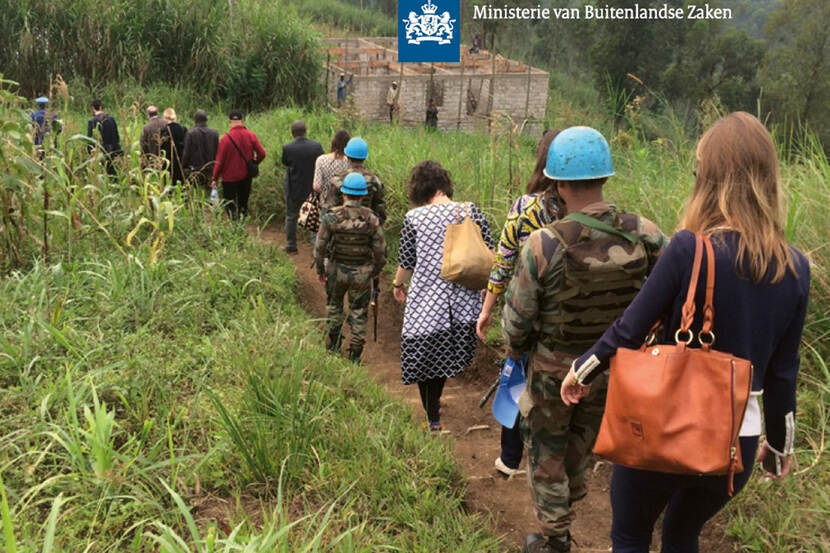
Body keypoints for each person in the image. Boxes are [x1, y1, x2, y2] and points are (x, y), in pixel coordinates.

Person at [560, 112, 811, 553]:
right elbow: (783, 373)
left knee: (631, 533)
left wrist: (582, 370)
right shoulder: (794, 267)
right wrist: (779, 445)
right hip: (735, 442)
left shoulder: (690, 248)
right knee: (682, 532)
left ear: (708, 179)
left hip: (666, 423)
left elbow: (629, 330)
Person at [502, 126, 667, 553]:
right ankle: (568, 504)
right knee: (583, 445)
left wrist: (516, 351)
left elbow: (517, 323)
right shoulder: (645, 233)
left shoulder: (543, 244)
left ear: (558, 183)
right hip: (611, 370)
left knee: (546, 451)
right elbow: (671, 293)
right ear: (605, 177)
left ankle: (555, 536)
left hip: (551, 371)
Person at [475, 130, 561, 478]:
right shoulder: (587, 213)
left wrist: (487, 309)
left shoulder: (526, 207)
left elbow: (503, 260)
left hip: (526, 313)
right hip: (569, 319)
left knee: (517, 380)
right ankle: (553, 461)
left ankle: (510, 459)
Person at [392, 161, 494, 431]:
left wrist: (398, 285)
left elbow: (406, 262)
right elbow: (490, 252)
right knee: (444, 356)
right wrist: (488, 288)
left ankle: (432, 417)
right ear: (445, 184)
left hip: (427, 302)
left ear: (419, 188)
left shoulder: (414, 218)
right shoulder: (470, 210)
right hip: (464, 303)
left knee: (424, 359)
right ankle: (434, 407)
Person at [314, 172, 386, 362]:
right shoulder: (371, 218)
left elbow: (319, 247)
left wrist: (320, 269)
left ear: (344, 193)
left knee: (334, 306)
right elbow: (380, 251)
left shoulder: (331, 217)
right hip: (362, 272)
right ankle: (355, 353)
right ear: (363, 195)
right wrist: (375, 271)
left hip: (336, 269)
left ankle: (334, 345)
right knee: (359, 312)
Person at [211, 109, 266, 220]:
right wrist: (254, 162)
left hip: (229, 179)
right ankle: (242, 222)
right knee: (243, 204)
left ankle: (234, 225)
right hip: (246, 177)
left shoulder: (225, 139)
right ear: (242, 120)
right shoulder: (250, 135)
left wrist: (214, 178)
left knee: (230, 205)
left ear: (229, 121)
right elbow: (262, 153)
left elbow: (219, 162)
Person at [281, 120, 324, 253]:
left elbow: (285, 163)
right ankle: (315, 247)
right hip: (312, 188)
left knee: (291, 216)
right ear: (305, 132)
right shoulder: (316, 146)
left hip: (294, 188)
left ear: (292, 133)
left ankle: (291, 245)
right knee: (314, 216)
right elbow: (321, 162)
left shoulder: (288, 148)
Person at [322, 137, 386, 225]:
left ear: (347, 156)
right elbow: (381, 213)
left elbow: (327, 210)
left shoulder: (338, 179)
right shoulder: (375, 180)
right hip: (367, 229)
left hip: (340, 228)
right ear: (365, 157)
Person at [182, 109, 219, 195]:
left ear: (195, 120)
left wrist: (184, 166)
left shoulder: (190, 133)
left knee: (195, 194)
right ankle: (212, 203)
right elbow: (217, 152)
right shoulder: (214, 133)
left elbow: (186, 153)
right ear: (206, 119)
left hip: (195, 170)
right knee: (210, 193)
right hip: (210, 169)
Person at [86, 99, 121, 175]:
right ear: (101, 107)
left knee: (102, 173)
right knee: (113, 172)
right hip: (113, 150)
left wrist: (90, 152)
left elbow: (89, 140)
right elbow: (116, 136)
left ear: (93, 108)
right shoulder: (111, 119)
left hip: (101, 153)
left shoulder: (92, 121)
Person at [312, 130, 351, 198]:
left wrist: (324, 192)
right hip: (344, 200)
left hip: (325, 200)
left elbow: (316, 187)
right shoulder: (349, 162)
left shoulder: (321, 160)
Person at [163, 108, 187, 185]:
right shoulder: (182, 129)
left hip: (167, 162)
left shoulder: (163, 130)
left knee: (168, 183)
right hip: (179, 161)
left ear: (165, 117)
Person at [140, 105, 168, 170]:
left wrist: (142, 163)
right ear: (157, 113)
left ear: (148, 115)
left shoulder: (146, 128)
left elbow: (143, 146)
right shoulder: (165, 123)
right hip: (165, 159)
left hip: (152, 161)